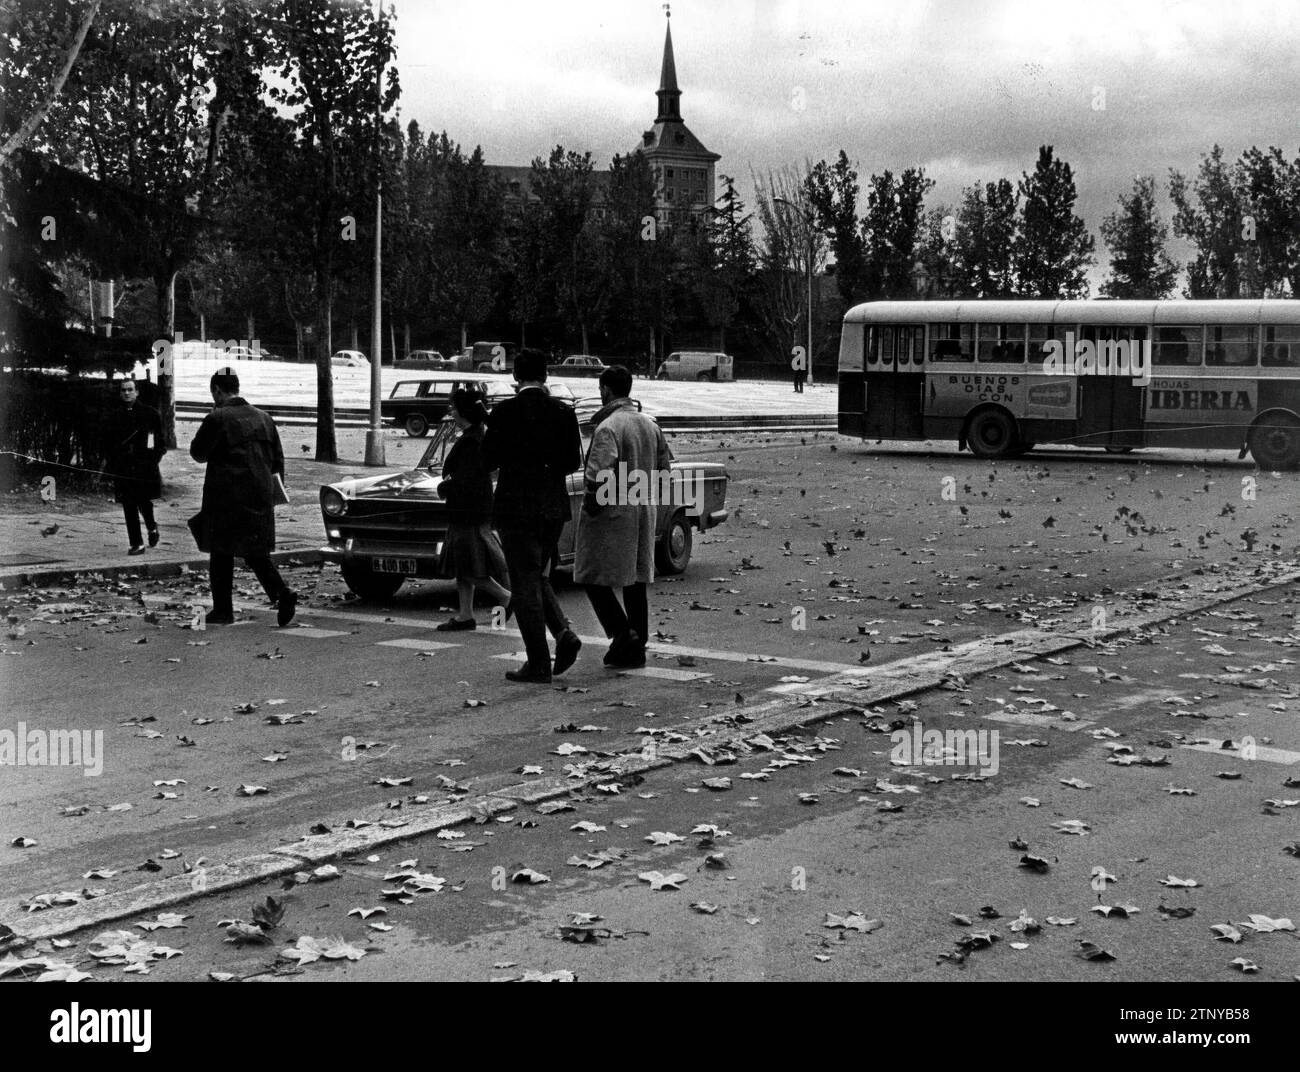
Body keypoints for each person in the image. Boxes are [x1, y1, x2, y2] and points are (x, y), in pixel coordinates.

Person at [480, 349, 582, 683]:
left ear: (515, 376)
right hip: (552, 505)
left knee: (524, 582)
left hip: (515, 506)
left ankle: (539, 661)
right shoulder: (564, 412)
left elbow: (489, 460)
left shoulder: (503, 412)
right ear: (546, 375)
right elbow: (572, 462)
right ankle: (563, 633)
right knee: (536, 574)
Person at [574, 365, 671, 669]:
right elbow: (665, 468)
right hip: (644, 507)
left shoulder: (608, 428)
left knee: (591, 574)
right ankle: (636, 644)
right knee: (636, 578)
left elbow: (597, 474)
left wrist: (591, 506)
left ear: (605, 390)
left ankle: (621, 632)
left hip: (613, 511)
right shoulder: (649, 424)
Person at [189, 369, 297, 627]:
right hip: (259, 494)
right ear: (237, 387)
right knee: (255, 551)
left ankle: (223, 610)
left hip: (226, 496)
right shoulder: (264, 418)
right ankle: (282, 593)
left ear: (217, 390)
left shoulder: (218, 417)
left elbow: (198, 453)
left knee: (220, 552)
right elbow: (278, 461)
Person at [434, 388, 511, 630]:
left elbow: (468, 479)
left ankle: (506, 597)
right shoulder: (477, 434)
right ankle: (465, 614)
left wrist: (445, 487)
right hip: (473, 509)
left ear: (463, 411)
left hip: (467, 510)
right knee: (464, 564)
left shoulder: (471, 440)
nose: (451, 411)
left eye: (454, 407)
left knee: (468, 566)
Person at [106, 378, 165, 555]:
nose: (126, 393)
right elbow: (108, 443)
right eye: (123, 390)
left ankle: (151, 526)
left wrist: (152, 460)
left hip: (144, 466)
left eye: (130, 389)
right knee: (128, 504)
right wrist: (114, 461)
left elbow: (159, 443)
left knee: (144, 501)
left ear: (137, 392)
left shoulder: (150, 414)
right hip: (123, 467)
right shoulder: (114, 416)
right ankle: (136, 543)